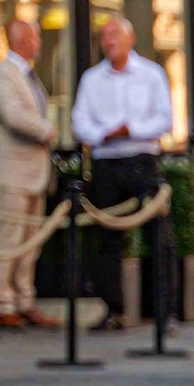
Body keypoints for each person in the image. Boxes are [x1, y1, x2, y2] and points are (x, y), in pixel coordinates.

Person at [68, 17, 178, 334]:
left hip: (142, 160)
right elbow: (80, 122)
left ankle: (162, 311)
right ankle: (113, 307)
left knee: (158, 235)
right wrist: (104, 134)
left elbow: (164, 118)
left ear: (130, 39)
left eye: (115, 35)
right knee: (106, 239)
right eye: (105, 36)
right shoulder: (92, 79)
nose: (110, 41)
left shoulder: (151, 74)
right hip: (106, 162)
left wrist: (131, 130)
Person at [0, 18, 57, 329]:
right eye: (32, 36)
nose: (37, 42)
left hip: (34, 174)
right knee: (7, 240)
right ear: (19, 40)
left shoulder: (28, 75)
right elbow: (14, 116)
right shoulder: (1, 74)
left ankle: (25, 301)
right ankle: (3, 303)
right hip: (9, 174)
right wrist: (49, 130)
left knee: (29, 244)